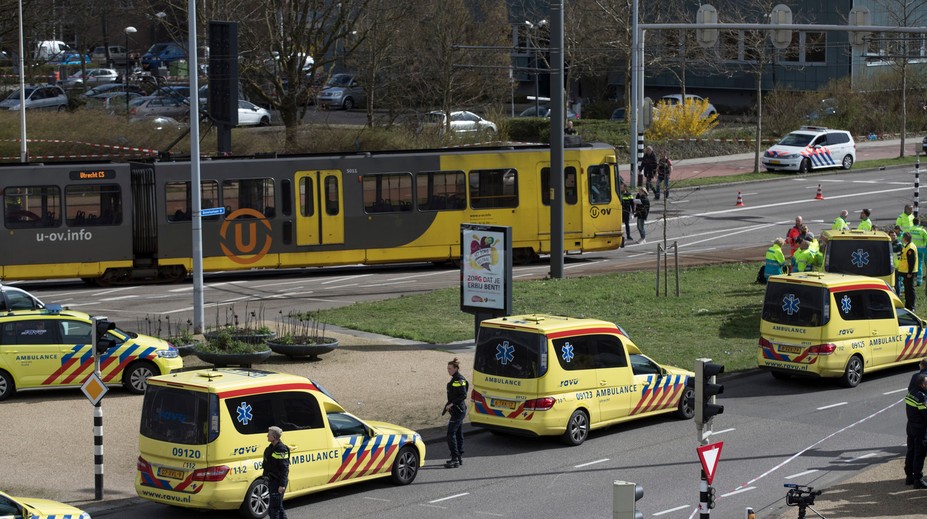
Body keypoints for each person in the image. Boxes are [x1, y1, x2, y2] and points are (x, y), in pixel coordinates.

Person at [444, 357, 468, 468]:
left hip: (459, 411)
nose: (448, 370)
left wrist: (452, 404)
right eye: (447, 368)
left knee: (450, 434)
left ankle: (454, 458)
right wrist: (448, 406)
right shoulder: (454, 379)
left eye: (450, 368)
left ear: (455, 368)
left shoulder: (459, 379)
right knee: (458, 433)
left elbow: (463, 395)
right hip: (456, 411)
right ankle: (459, 457)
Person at [905, 373, 927, 487]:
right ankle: (918, 479)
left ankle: (909, 476)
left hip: (910, 426)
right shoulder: (921, 397)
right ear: (922, 384)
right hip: (920, 429)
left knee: (911, 451)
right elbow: (925, 414)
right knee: (920, 453)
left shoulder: (911, 393)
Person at [263, 426, 290, 519]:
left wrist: (282, 485)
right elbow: (267, 465)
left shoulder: (281, 449)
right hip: (272, 480)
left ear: (274, 437)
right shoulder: (270, 448)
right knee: (278, 507)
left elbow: (284, 468)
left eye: (269, 434)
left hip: (278, 482)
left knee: (273, 509)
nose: (267, 436)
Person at [899, 232, 918, 311]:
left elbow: (911, 261)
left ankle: (911, 306)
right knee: (907, 289)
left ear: (905, 238)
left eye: (903, 238)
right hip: (905, 271)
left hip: (909, 272)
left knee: (910, 289)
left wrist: (910, 272)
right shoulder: (907, 246)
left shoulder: (910, 248)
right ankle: (908, 305)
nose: (902, 239)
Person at [909, 217, 927, 286]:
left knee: (911, 264)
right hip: (920, 250)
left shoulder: (910, 229)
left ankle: (911, 279)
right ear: (919, 222)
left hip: (911, 249)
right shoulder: (922, 230)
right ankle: (919, 281)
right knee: (919, 265)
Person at [619, 182, 634, 246]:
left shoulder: (629, 194)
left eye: (622, 187)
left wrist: (633, 210)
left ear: (625, 188)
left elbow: (632, 203)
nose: (620, 188)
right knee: (619, 224)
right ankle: (620, 236)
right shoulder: (619, 194)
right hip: (620, 211)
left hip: (626, 211)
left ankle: (628, 235)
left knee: (627, 224)